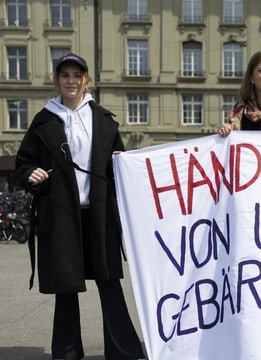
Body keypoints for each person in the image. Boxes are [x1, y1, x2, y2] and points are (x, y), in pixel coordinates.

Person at [13, 53, 146, 359]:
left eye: (77, 75)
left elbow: (121, 168)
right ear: (56, 81)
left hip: (99, 216)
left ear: (86, 80)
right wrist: (29, 174)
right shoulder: (43, 120)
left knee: (110, 282)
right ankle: (67, 352)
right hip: (61, 217)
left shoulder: (102, 119)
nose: (71, 81)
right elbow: (23, 165)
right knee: (66, 288)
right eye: (65, 76)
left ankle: (124, 352)